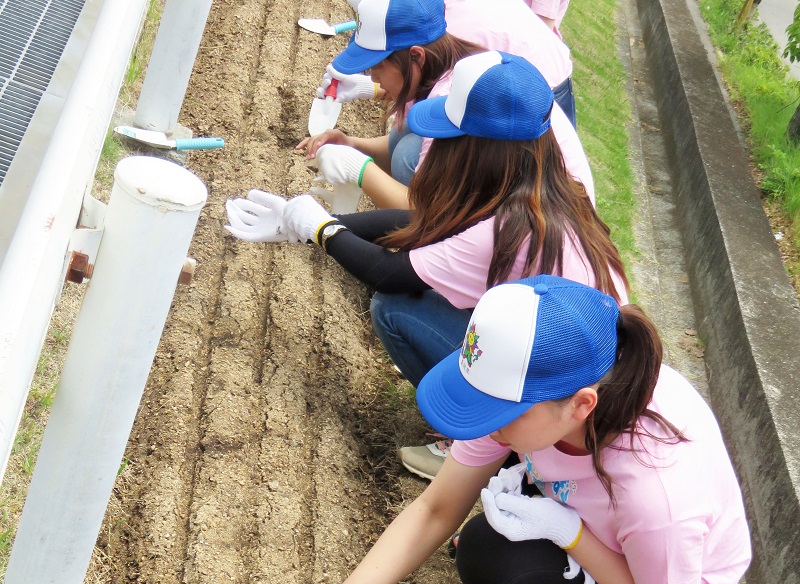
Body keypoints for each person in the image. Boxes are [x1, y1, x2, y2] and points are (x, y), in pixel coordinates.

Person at [276, 277, 750, 584]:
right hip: (597, 519)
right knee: (489, 542)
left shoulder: (656, 495)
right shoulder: (548, 401)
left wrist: (571, 534)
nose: (484, 422)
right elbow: (437, 508)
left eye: (500, 411)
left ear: (582, 405)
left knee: (490, 556)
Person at [226, 53, 624, 479]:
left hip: (558, 397)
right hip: (577, 369)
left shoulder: (508, 226)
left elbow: (391, 273)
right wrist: (307, 225)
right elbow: (421, 225)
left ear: (479, 149)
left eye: (452, 137)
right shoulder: (541, 187)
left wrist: (322, 231)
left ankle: (486, 441)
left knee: (394, 308)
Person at [299, 0, 579, 204]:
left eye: (376, 68)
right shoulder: (433, 33)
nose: (371, 76)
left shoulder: (457, 81)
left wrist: (360, 172)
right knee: (406, 137)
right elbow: (408, 89)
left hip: (542, 93)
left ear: (417, 56)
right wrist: (353, 145)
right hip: (514, 89)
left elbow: (422, 211)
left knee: (411, 155)